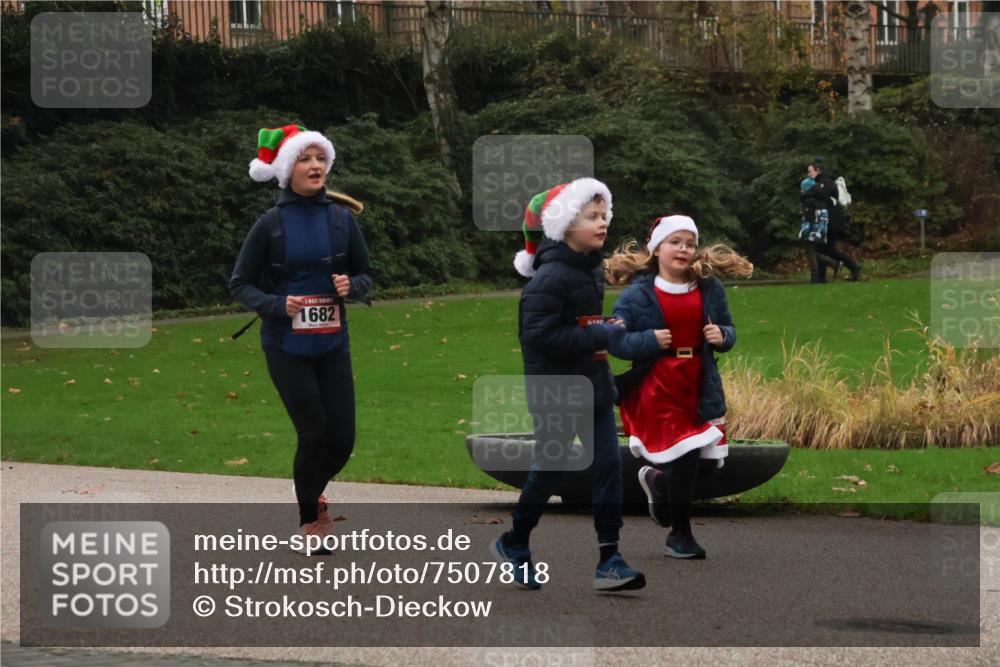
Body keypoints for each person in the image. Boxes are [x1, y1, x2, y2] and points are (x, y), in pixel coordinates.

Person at [491, 178, 646, 592]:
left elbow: (583, 330)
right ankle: (515, 541)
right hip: (554, 388)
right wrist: (600, 335)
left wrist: (603, 332)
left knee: (608, 464)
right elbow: (539, 337)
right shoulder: (549, 279)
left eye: (603, 216)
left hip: (591, 384)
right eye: (591, 216)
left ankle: (609, 559)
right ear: (563, 225)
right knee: (551, 467)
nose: (602, 223)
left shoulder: (590, 270)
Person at [229, 124, 373, 553]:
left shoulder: (342, 219)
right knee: (313, 435)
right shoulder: (270, 225)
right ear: (288, 168)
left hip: (332, 343)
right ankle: (309, 520)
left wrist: (354, 286)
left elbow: (367, 273)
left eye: (320, 158)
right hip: (286, 345)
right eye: (306, 159)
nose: (316, 165)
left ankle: (312, 487)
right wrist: (277, 305)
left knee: (342, 439)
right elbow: (240, 283)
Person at [605, 216, 752, 559]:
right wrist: (648, 340)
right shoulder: (638, 294)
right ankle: (680, 535)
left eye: (689, 243)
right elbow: (615, 340)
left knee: (707, 462)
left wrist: (723, 337)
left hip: (699, 384)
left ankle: (660, 483)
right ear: (656, 248)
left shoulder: (709, 287)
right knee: (687, 453)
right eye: (675, 242)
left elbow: (729, 329)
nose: (683, 249)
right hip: (657, 385)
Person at [803, 161, 860, 281]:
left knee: (828, 249)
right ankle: (822, 276)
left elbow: (820, 195)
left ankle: (853, 267)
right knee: (823, 248)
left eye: (810, 171)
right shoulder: (824, 182)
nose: (808, 174)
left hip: (831, 222)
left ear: (817, 170)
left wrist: (805, 194)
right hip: (829, 221)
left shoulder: (825, 183)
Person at [799, 174, 838, 283]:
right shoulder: (820, 199)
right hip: (820, 230)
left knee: (810, 252)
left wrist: (804, 233)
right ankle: (833, 264)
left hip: (812, 229)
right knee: (812, 252)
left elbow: (809, 219)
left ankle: (816, 276)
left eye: (802, 188)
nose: (801, 190)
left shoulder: (808, 200)